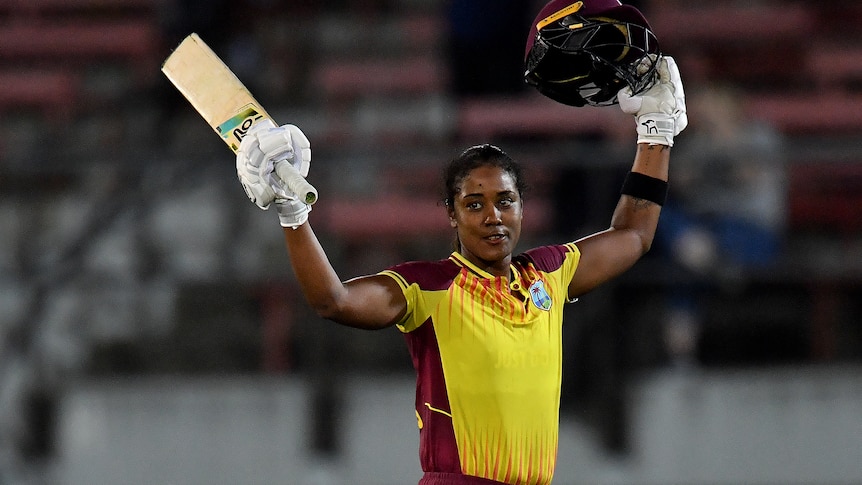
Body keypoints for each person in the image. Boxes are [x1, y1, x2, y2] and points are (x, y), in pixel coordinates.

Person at [233, 6, 686, 485]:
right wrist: (293, 214)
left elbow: (634, 236)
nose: (493, 216)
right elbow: (334, 300)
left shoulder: (549, 274)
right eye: (474, 204)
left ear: (522, 208)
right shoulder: (428, 286)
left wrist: (654, 133)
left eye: (505, 201)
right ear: (451, 214)